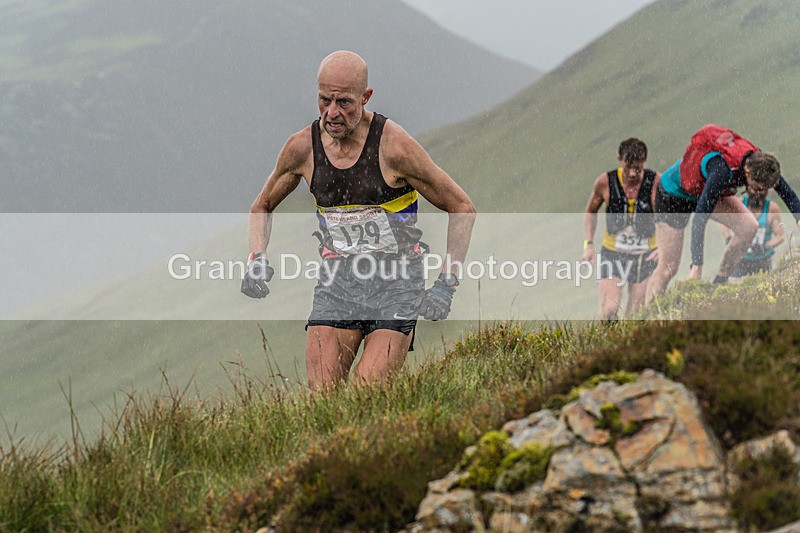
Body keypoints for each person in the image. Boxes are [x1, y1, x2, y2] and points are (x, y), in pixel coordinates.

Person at [240, 51, 475, 390]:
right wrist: (257, 258)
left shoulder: (393, 147)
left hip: (397, 284)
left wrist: (446, 283)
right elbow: (261, 206)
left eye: (344, 103)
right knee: (321, 401)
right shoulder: (302, 149)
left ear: (366, 98)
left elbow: (461, 207)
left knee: (366, 394)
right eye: (324, 100)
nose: (331, 113)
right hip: (338, 284)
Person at [646, 124, 800, 303]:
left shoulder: (763, 164)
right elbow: (700, 219)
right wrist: (697, 266)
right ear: (748, 171)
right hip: (673, 195)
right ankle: (649, 315)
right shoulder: (722, 170)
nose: (759, 192)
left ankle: (719, 281)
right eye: (757, 187)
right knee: (669, 267)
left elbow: (789, 197)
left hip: (703, 190)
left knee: (749, 227)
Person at [582, 138, 660, 320]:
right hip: (613, 253)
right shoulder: (605, 182)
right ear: (620, 160)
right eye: (628, 168)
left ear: (644, 162)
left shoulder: (656, 181)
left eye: (638, 168)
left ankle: (626, 348)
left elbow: (668, 218)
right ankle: (604, 345)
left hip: (645, 254)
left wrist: (662, 248)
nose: (633, 173)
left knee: (636, 315)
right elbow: (590, 212)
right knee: (609, 310)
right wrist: (589, 244)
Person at [721, 187, 785, 279]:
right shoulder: (740, 203)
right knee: (735, 287)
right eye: (754, 190)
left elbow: (780, 236)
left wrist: (764, 246)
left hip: (763, 260)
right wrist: (729, 238)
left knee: (763, 289)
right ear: (748, 189)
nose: (757, 194)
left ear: (767, 192)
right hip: (740, 260)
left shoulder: (772, 208)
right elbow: (724, 223)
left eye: (761, 190)